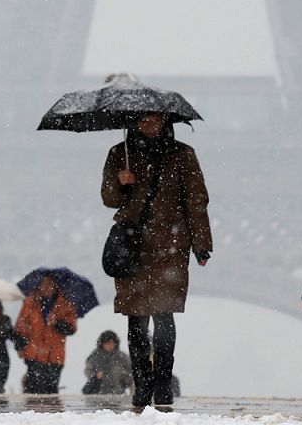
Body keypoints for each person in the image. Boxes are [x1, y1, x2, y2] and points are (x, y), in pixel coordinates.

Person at [101, 114, 212, 409]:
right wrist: (120, 182)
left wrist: (202, 245)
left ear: (165, 122)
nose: (149, 125)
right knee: (136, 319)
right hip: (133, 246)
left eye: (155, 120)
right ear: (134, 122)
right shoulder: (120, 154)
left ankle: (162, 383)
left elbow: (196, 199)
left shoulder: (182, 155)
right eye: (143, 121)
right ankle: (143, 384)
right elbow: (108, 198)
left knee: (164, 316)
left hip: (170, 247)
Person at [14, 275, 78, 393]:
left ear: (56, 285)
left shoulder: (65, 303)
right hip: (34, 355)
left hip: (54, 356)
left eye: (50, 284)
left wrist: (56, 323)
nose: (46, 287)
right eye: (43, 284)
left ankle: (50, 411)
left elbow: (71, 328)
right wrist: (19, 346)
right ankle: (32, 412)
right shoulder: (31, 302)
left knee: (51, 393)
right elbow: (21, 326)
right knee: (32, 392)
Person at [82, 331, 132, 395]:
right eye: (107, 343)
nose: (109, 345)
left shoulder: (122, 357)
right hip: (98, 394)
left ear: (115, 343)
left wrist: (125, 378)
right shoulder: (95, 356)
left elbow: (130, 373)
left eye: (111, 343)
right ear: (102, 344)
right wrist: (95, 375)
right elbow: (87, 370)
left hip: (118, 394)